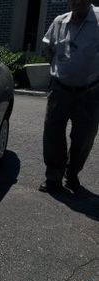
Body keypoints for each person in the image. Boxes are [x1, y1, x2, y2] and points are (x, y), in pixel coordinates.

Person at [39, 0, 99, 193]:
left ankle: (72, 174)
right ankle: (53, 177)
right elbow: (47, 46)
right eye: (72, 0)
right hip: (60, 89)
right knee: (53, 134)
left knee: (84, 137)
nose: (76, 3)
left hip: (90, 91)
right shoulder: (59, 21)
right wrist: (57, 67)